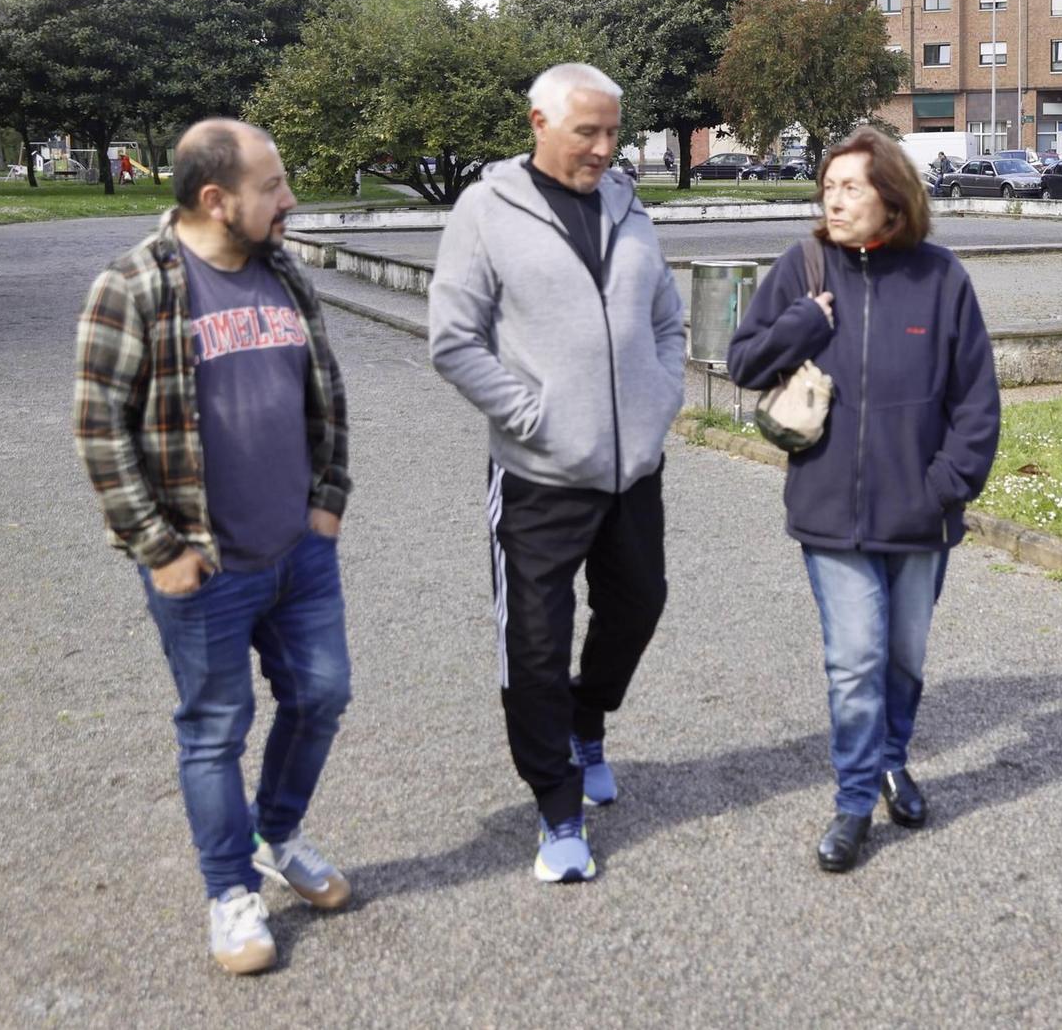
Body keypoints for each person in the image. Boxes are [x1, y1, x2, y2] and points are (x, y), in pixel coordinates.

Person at [73, 118, 354, 975]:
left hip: (298, 553)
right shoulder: (134, 286)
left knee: (323, 694)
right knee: (214, 730)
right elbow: (99, 429)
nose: (289, 198)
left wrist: (328, 497)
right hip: (203, 564)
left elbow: (325, 389)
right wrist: (157, 548)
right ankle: (230, 889)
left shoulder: (281, 272)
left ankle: (277, 831)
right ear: (214, 199)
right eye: (272, 185)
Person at [428, 63, 685, 884]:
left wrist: (660, 396)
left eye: (615, 133)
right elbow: (454, 339)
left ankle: (588, 718)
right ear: (539, 122)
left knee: (639, 605)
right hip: (538, 475)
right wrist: (532, 415)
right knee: (533, 645)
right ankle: (558, 807)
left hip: (632, 469)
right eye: (588, 133)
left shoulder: (628, 204)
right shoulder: (485, 211)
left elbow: (667, 318)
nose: (606, 150)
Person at [727, 127, 1000, 873]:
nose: (834, 199)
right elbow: (743, 361)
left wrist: (942, 488)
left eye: (851, 186)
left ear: (892, 194)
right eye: (828, 187)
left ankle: (891, 759)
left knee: (904, 657)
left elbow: (977, 401)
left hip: (921, 515)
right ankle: (853, 802)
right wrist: (805, 322)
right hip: (831, 513)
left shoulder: (941, 278)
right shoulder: (804, 266)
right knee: (855, 659)